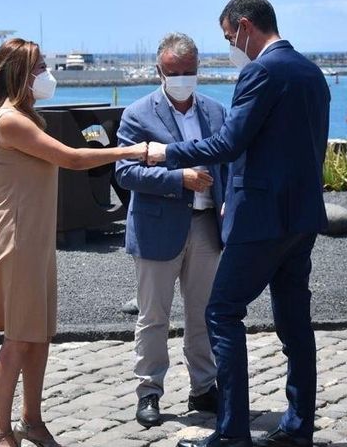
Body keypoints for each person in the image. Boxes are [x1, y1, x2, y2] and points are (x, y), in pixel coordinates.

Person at [147, 0, 331, 447]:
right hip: (303, 217)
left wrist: (165, 153)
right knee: (295, 325)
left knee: (221, 312)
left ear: (246, 27)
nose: (231, 47)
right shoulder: (313, 73)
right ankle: (298, 428)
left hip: (261, 220)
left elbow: (228, 144)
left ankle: (231, 433)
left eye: (230, 37)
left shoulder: (260, 72)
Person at [0, 38, 148, 447]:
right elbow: (69, 159)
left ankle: (31, 421)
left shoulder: (26, 116)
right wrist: (133, 151)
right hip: (15, 238)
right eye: (38, 68)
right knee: (18, 336)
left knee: (38, 332)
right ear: (17, 73)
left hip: (34, 238)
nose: (45, 74)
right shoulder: (10, 120)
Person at [115, 32, 228, 428]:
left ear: (199, 70)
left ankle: (204, 386)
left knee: (204, 314)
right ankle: (149, 391)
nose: (182, 78)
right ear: (159, 71)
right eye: (174, 72)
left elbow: (229, 162)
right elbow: (126, 173)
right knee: (153, 316)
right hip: (156, 229)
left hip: (206, 227)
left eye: (189, 71)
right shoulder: (138, 114)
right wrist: (177, 178)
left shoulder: (216, 112)